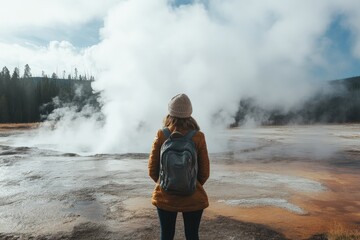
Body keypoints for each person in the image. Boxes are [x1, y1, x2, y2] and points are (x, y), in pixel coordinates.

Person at [148, 93, 210, 240]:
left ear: (170, 113)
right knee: (192, 235)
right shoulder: (198, 136)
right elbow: (204, 172)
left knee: (167, 235)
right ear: (190, 113)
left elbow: (152, 169)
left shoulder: (162, 134)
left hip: (165, 196)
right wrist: (190, 183)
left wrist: (167, 182)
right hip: (193, 197)